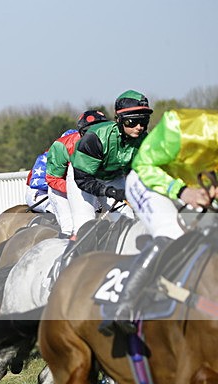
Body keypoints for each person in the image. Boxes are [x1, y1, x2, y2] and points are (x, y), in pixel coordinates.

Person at [99, 109, 218, 336]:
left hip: (191, 186)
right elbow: (143, 166)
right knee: (172, 232)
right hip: (147, 181)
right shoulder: (181, 127)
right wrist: (181, 191)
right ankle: (123, 306)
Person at [67, 90, 152, 235]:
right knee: (85, 225)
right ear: (119, 120)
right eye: (132, 121)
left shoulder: (144, 140)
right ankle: (71, 249)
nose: (139, 127)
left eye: (144, 121)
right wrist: (109, 191)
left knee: (128, 222)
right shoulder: (95, 138)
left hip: (113, 176)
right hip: (84, 177)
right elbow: (83, 179)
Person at [46, 110, 109, 236]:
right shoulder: (62, 146)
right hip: (62, 189)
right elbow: (53, 179)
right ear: (81, 133)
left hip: (93, 182)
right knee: (71, 227)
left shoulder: (111, 142)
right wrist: (78, 191)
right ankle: (68, 243)